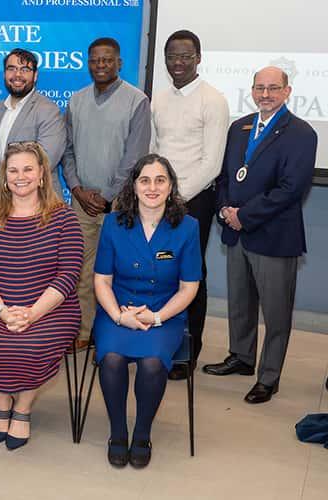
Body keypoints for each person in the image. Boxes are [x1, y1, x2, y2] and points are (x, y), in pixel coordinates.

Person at [204, 67, 317, 404]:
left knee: (276, 312)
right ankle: (241, 357)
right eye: (259, 88)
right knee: (240, 303)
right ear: (252, 90)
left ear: (287, 91)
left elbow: (291, 189)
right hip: (237, 233)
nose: (265, 94)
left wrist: (244, 216)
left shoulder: (301, 133)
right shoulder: (239, 128)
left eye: (273, 88)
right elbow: (224, 176)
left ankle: (269, 376)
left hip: (274, 236)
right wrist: (225, 210)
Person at [0, 141, 83, 451]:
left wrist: (32, 313)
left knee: (30, 342)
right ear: (5, 177)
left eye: (28, 169)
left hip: (51, 308)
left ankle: (23, 409)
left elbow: (68, 275)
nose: (21, 176)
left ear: (42, 174)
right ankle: (2, 405)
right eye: (13, 170)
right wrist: (4, 312)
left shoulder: (64, 219)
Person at [92, 154, 200, 468]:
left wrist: (156, 317)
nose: (152, 187)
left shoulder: (188, 227)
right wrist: (117, 315)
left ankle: (142, 432)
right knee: (111, 359)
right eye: (145, 180)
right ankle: (118, 432)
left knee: (153, 364)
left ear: (170, 187)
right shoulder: (114, 223)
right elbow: (102, 280)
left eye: (160, 180)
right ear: (134, 186)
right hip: (118, 310)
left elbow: (189, 288)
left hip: (164, 314)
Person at [62, 37, 151, 350]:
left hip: (120, 204)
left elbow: (135, 156)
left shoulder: (136, 100)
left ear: (119, 63)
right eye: (95, 60)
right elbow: (67, 150)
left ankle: (118, 331)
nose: (100, 65)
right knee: (82, 270)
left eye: (107, 60)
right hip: (81, 203)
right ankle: (85, 331)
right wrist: (76, 188)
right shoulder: (76, 100)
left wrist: (109, 195)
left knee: (122, 270)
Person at [151, 30, 230, 380]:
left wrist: (175, 199)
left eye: (185, 56)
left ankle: (187, 353)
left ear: (199, 58)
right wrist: (155, 193)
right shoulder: (159, 98)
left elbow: (212, 164)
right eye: (171, 56)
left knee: (190, 277)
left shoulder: (213, 100)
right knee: (158, 273)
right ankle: (157, 342)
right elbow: (152, 153)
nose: (178, 63)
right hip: (157, 200)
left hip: (194, 202)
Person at [0, 48, 65, 195]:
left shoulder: (48, 110)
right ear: (4, 74)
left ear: (35, 75)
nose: (17, 74)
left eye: (24, 69)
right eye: (11, 69)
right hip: (2, 202)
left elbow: (46, 161)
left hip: (39, 203)